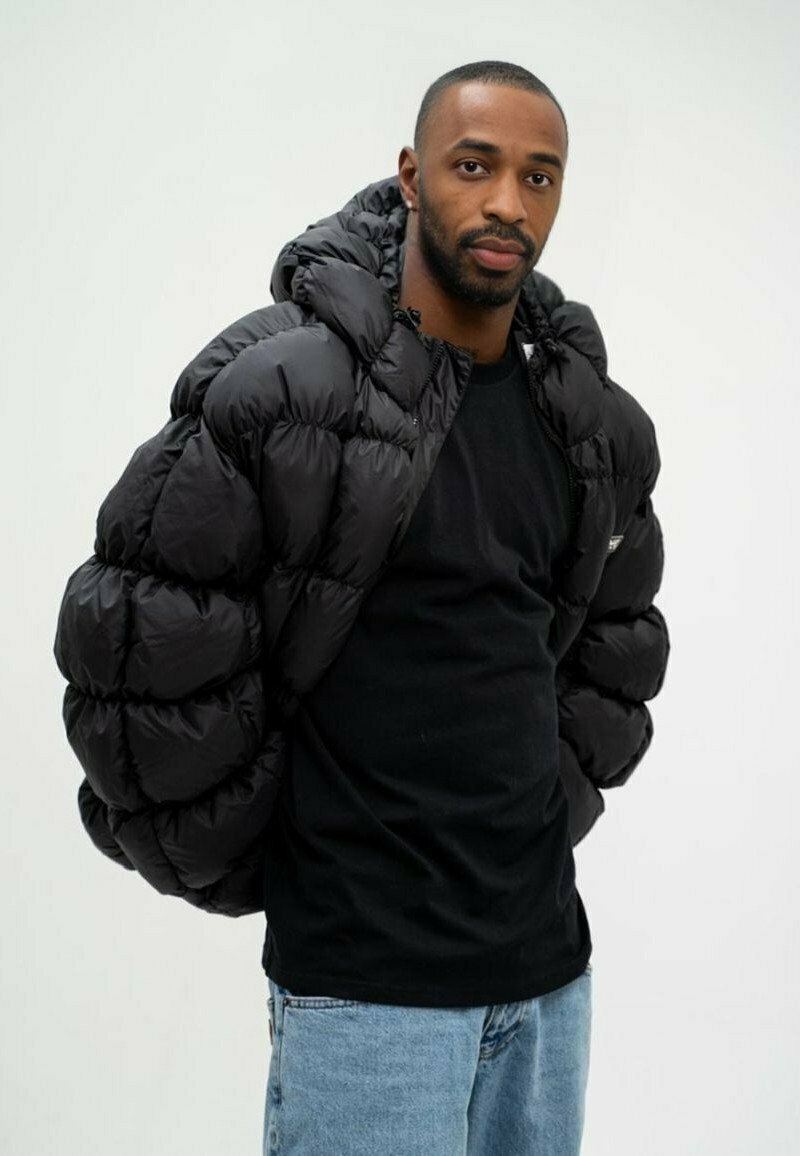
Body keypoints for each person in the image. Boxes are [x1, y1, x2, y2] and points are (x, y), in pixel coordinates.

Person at [53, 59, 669, 1156]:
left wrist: (535, 815)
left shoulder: (589, 427)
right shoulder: (285, 391)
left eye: (538, 177)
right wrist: (285, 852)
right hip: (366, 997)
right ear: (410, 176)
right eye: (473, 166)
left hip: (545, 981)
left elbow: (604, 662)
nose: (506, 203)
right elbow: (139, 641)